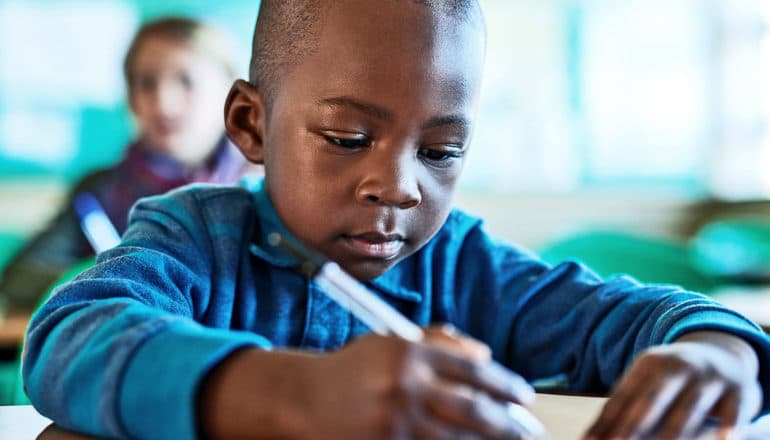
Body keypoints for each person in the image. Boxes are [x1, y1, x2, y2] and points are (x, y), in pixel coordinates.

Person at [22, 1, 770, 439]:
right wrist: (294, 394)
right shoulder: (195, 239)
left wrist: (718, 352)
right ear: (250, 125)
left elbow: (636, 316)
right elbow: (67, 338)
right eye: (347, 139)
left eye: (443, 150)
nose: (400, 186)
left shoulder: (464, 268)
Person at [0, 17, 251, 315]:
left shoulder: (263, 189)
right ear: (132, 100)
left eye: (186, 81)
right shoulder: (100, 192)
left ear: (232, 95)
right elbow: (20, 281)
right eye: (146, 83)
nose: (163, 103)